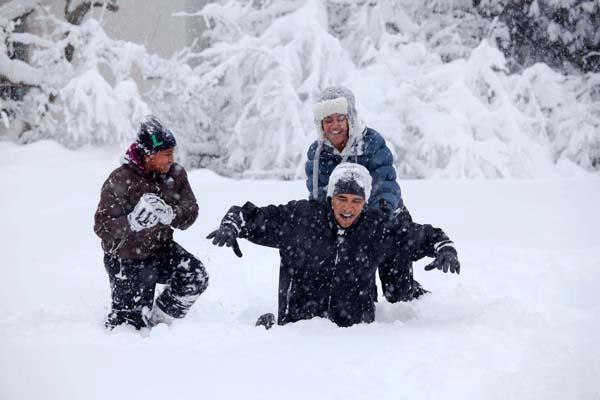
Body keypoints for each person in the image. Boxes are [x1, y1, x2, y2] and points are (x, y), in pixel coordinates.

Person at [208, 163, 459, 328]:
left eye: (356, 201)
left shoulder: (376, 228)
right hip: (297, 334)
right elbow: (248, 215)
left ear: (365, 203)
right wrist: (232, 225)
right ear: (330, 198)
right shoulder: (302, 217)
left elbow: (423, 235)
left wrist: (444, 247)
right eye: (341, 199)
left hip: (353, 340)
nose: (348, 208)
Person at [305, 86, 420, 303]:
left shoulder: (371, 142)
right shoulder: (317, 153)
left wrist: (380, 213)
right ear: (321, 124)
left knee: (398, 294)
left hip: (387, 218)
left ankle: (411, 291)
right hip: (349, 225)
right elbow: (319, 194)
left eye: (340, 117)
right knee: (360, 293)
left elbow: (385, 181)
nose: (335, 125)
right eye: (328, 119)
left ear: (350, 117)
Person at [94, 115, 209, 330]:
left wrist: (171, 214)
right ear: (148, 154)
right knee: (128, 328)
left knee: (195, 277)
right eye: (166, 154)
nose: (171, 159)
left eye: (172, 153)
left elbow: (191, 211)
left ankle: (159, 323)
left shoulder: (176, 175)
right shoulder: (120, 180)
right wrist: (131, 222)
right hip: (126, 259)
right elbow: (102, 226)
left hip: (161, 250)